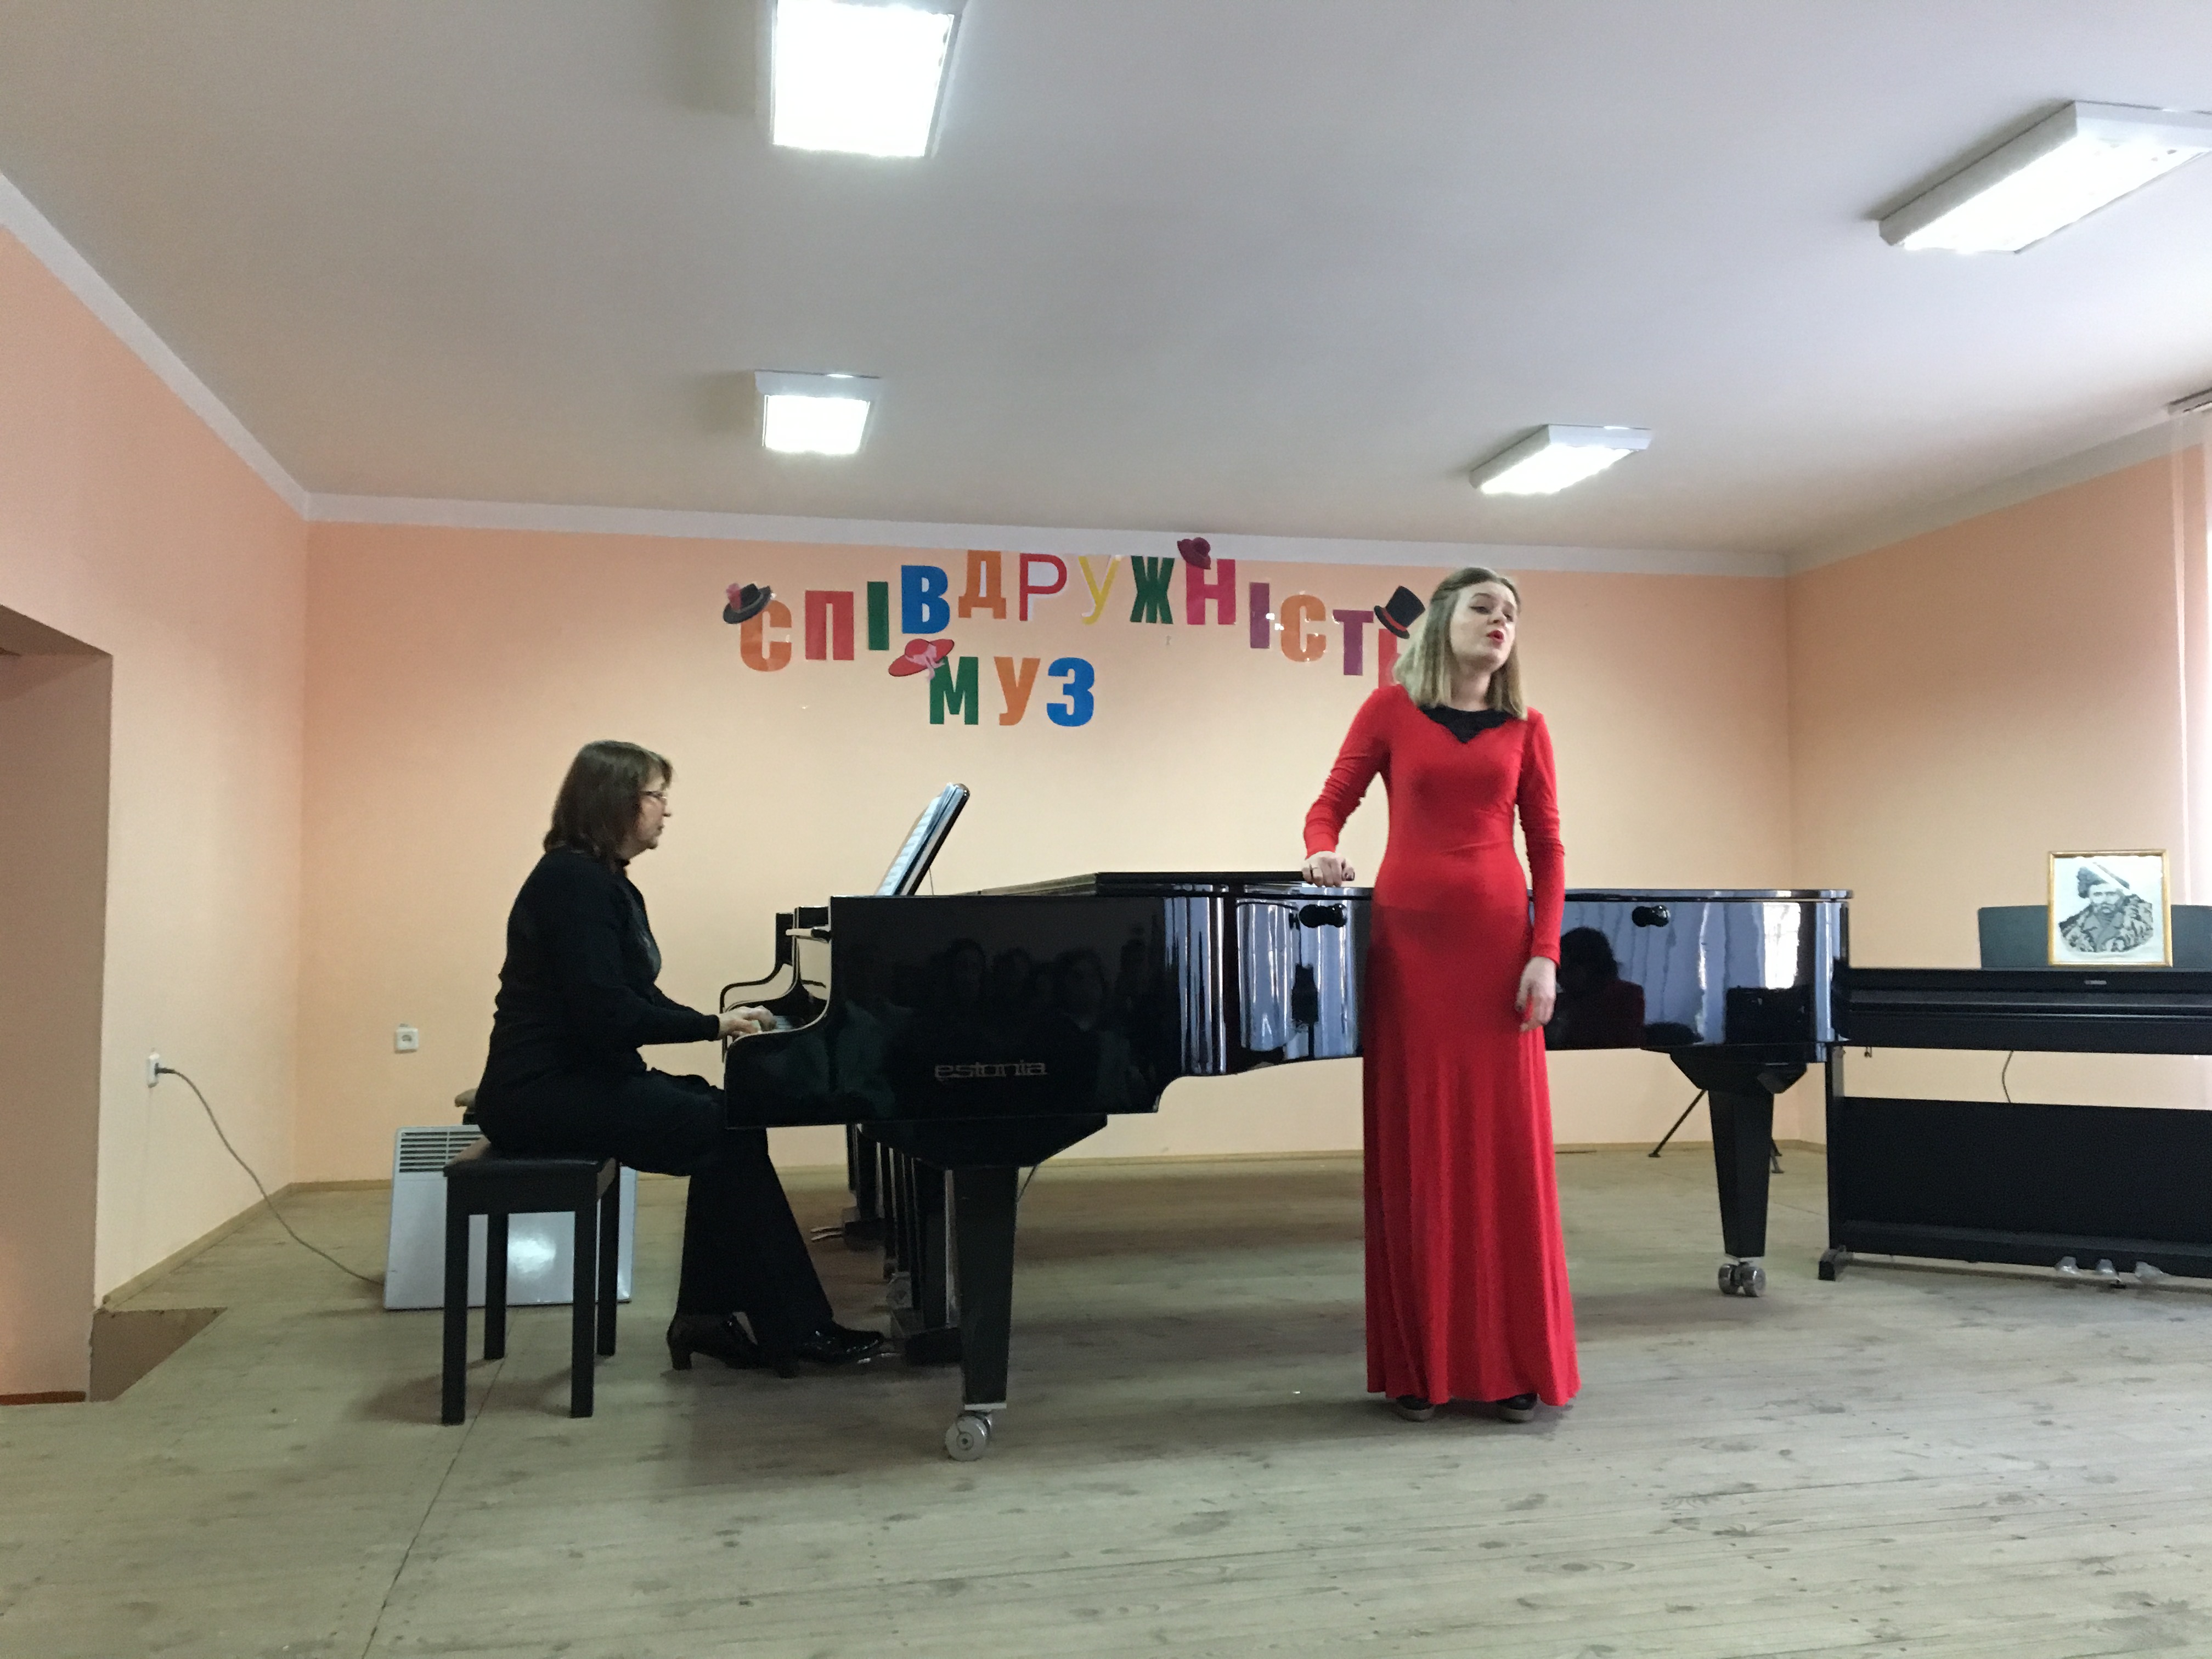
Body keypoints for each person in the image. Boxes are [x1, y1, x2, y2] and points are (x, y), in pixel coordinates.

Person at [471, 740, 882, 1375]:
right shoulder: (573, 884)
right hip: (540, 1094)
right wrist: (710, 1025)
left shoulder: (604, 881)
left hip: (579, 1079)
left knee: (728, 1116)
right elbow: (606, 1013)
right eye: (656, 796)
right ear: (616, 800)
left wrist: (718, 1023)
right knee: (722, 1126)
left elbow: (634, 995)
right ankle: (791, 1326)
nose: (667, 810)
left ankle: (709, 1316)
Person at [1301, 566, 1578, 1424]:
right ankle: (1421, 1366)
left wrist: (1545, 955)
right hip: (1410, 954)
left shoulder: (1528, 727)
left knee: (1504, 1155)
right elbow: (1329, 806)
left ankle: (1510, 1365)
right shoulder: (1389, 711)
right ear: (1442, 623)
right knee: (1418, 1150)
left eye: (1512, 614)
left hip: (1499, 956)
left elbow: (1549, 851)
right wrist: (1319, 852)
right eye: (1484, 607)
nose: (1500, 621)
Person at [2058, 862, 2158, 955]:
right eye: (2098, 895)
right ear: (2089, 896)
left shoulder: (2146, 921)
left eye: (2111, 894)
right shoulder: (2071, 928)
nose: (2104, 900)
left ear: (2122, 894)